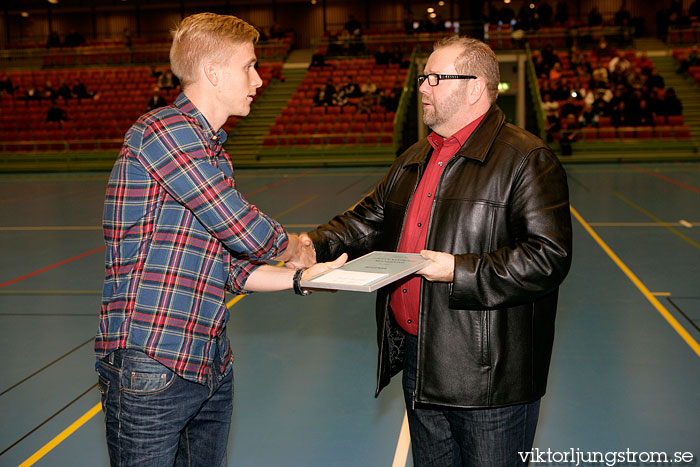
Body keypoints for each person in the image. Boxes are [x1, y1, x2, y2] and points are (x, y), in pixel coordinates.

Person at [300, 37, 572, 466]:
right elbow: (369, 218)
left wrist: (457, 270)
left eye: (435, 78)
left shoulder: (526, 158)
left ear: (475, 87)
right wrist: (310, 245)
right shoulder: (416, 155)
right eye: (423, 77)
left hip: (489, 377)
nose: (423, 87)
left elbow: (547, 257)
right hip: (420, 360)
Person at [95, 13, 339, 467]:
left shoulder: (212, 152)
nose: (260, 79)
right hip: (154, 360)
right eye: (248, 66)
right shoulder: (164, 132)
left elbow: (228, 266)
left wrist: (303, 277)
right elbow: (240, 226)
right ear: (211, 71)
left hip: (207, 362)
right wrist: (293, 248)